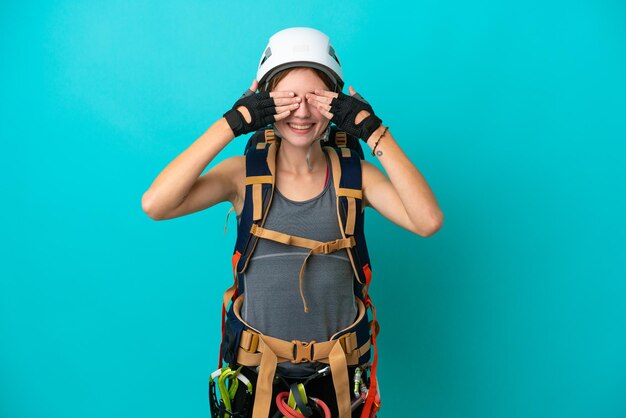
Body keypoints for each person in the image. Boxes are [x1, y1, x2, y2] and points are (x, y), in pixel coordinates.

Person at [142, 27, 443, 418]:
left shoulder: (356, 178)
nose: (301, 112)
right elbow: (156, 204)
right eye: (287, 100)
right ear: (266, 103)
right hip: (255, 379)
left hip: (335, 382)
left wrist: (372, 130)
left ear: (336, 105)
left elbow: (428, 221)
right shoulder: (242, 176)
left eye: (316, 99)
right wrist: (231, 123)